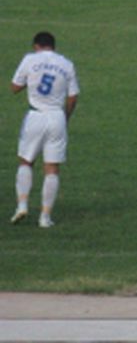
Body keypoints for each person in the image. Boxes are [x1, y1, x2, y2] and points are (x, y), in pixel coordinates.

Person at [10, 32, 79, 229]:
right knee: (52, 167)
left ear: (36, 45)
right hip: (57, 117)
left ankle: (22, 205)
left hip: (36, 115)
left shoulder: (30, 59)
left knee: (26, 161)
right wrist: (65, 118)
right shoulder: (67, 64)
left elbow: (15, 87)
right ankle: (45, 217)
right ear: (53, 46)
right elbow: (73, 97)